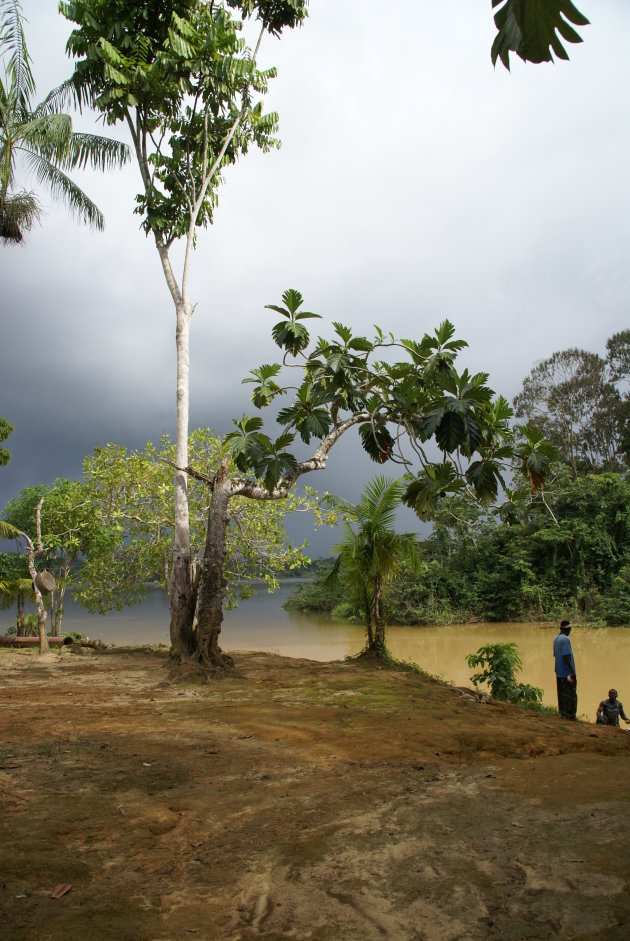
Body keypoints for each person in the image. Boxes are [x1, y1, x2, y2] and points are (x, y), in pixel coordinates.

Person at [553, 619, 577, 720]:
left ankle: (563, 713)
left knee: (561, 693)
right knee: (571, 694)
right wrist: (572, 671)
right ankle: (571, 716)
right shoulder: (565, 639)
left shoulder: (556, 638)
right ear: (569, 629)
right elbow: (566, 657)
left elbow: (555, 655)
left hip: (559, 672)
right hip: (567, 673)